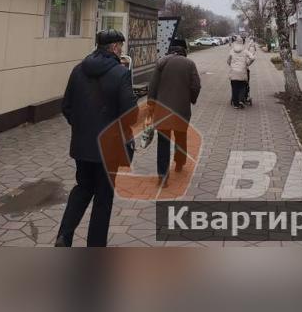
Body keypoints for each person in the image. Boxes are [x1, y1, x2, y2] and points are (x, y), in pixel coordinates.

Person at [55, 29, 137, 247]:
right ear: (114, 47)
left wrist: (82, 128)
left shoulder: (78, 70)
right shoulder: (120, 73)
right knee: (103, 199)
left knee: (82, 189)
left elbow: (66, 107)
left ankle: (64, 235)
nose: (121, 49)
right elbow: (131, 114)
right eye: (120, 46)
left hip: (82, 147)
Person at [147, 37, 201, 184]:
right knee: (181, 136)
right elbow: (196, 86)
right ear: (184, 49)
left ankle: (162, 176)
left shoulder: (161, 62)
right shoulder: (189, 64)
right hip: (181, 109)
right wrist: (191, 99)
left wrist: (151, 103)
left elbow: (153, 85)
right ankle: (179, 162)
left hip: (162, 110)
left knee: (163, 141)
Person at [227, 36, 254, 109]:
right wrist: (247, 64)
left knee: (234, 88)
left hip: (233, 72)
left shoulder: (231, 51)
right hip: (242, 72)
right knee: (242, 87)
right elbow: (252, 58)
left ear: (235, 42)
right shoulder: (245, 51)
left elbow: (228, 61)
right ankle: (241, 100)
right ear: (242, 42)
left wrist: (232, 65)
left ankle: (236, 104)